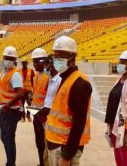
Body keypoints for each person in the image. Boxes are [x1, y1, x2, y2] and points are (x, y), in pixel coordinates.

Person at [45, 36, 92, 166]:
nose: (56, 60)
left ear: (71, 58)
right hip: (55, 144)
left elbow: (78, 123)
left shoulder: (80, 84)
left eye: (60, 56)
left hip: (64, 148)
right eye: (55, 56)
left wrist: (66, 156)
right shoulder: (65, 78)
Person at [0, 46, 24, 166]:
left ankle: (11, 163)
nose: (8, 60)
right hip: (3, 110)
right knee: (5, 137)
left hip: (10, 111)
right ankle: (10, 162)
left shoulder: (15, 74)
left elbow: (20, 93)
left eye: (10, 58)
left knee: (8, 138)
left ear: (14, 60)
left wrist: (7, 105)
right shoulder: (5, 72)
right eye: (6, 58)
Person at [36, 54, 62, 166]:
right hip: (47, 120)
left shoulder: (59, 81)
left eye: (46, 65)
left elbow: (58, 103)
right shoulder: (51, 80)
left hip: (55, 122)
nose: (45, 68)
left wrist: (45, 110)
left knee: (53, 155)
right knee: (47, 154)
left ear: (51, 65)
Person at [30, 48, 49, 166]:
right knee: (38, 142)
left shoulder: (49, 77)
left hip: (45, 117)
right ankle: (41, 162)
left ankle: (45, 163)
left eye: (37, 61)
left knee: (45, 143)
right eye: (34, 61)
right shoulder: (36, 75)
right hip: (36, 114)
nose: (35, 64)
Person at [18, 57, 34, 122]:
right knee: (21, 104)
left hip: (29, 91)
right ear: (22, 63)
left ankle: (28, 115)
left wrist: (34, 90)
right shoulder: (18, 71)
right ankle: (23, 116)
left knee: (29, 103)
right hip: (21, 91)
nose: (24, 64)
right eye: (23, 63)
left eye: (25, 63)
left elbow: (32, 81)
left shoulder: (31, 71)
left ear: (27, 63)